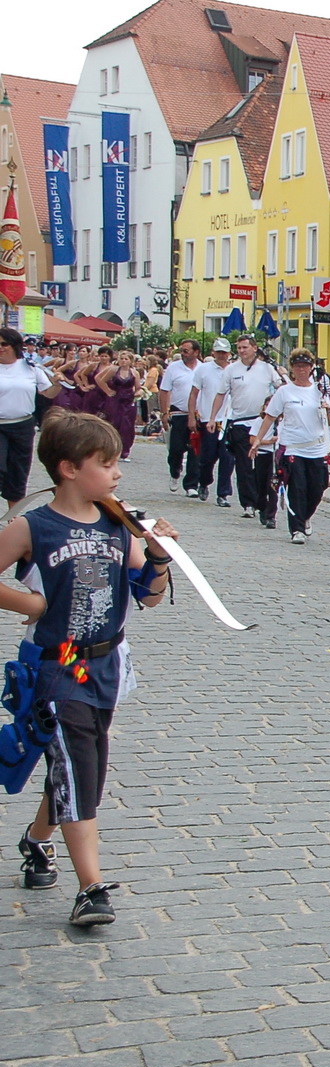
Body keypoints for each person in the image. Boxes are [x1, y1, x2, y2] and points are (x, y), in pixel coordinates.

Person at [6, 410, 178, 925]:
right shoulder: (32, 526)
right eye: (105, 463)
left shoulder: (117, 523)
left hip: (105, 662)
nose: (117, 472)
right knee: (79, 763)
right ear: (68, 468)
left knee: (81, 768)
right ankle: (91, 888)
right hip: (60, 664)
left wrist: (159, 558)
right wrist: (29, 605)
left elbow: (147, 598)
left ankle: (37, 840)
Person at [252, 349, 330, 545]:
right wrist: (257, 440)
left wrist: (327, 410)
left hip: (316, 447)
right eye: (297, 366)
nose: (301, 370)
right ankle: (296, 528)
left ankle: (305, 516)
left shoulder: (318, 391)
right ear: (292, 369)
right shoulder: (285, 392)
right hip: (294, 447)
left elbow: (328, 421)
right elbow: (270, 416)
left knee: (318, 487)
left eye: (305, 366)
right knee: (297, 487)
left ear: (311, 368)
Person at [222, 335, 285, 520]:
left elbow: (282, 387)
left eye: (245, 347)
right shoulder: (231, 369)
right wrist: (213, 417)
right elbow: (221, 393)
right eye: (239, 348)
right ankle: (248, 503)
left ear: (254, 348)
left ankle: (264, 504)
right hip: (240, 422)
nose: (242, 351)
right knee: (244, 466)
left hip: (263, 422)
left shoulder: (267, 368)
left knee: (264, 469)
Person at [0, 329, 64, 508]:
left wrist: (57, 384)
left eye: (4, 344)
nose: (0, 348)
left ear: (14, 345)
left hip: (22, 424)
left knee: (18, 470)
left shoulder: (30, 366)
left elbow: (47, 392)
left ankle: (12, 516)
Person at [186, 337, 234, 503]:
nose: (222, 355)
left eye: (224, 352)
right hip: (209, 419)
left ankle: (223, 493)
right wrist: (192, 416)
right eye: (219, 352)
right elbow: (193, 393)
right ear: (213, 352)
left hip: (228, 420)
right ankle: (204, 482)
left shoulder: (234, 370)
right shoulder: (204, 369)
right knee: (207, 458)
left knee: (227, 458)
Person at [161, 339, 202, 495]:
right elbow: (165, 390)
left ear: (196, 352)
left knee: (195, 450)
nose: (183, 354)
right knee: (176, 449)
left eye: (186, 351)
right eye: (182, 350)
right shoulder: (173, 368)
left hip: (198, 414)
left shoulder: (203, 368)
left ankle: (191, 484)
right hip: (179, 413)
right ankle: (175, 471)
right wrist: (164, 413)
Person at [94, 349, 140, 461]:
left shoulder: (134, 373)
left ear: (130, 361)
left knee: (127, 426)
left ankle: (124, 451)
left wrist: (139, 393)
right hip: (115, 400)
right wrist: (108, 391)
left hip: (128, 401)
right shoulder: (113, 370)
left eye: (126, 359)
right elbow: (100, 380)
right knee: (114, 423)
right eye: (121, 359)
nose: (123, 361)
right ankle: (111, 450)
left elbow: (137, 388)